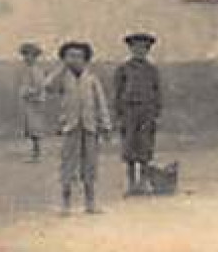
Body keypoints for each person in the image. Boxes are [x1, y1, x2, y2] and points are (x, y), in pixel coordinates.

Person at [51, 40, 112, 214]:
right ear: (64, 58)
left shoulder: (92, 79)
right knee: (68, 164)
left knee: (90, 164)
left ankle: (90, 202)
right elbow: (48, 87)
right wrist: (62, 68)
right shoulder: (62, 78)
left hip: (90, 127)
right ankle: (65, 203)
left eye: (79, 56)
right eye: (70, 56)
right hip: (70, 127)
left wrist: (105, 125)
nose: (74, 59)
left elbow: (101, 103)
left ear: (86, 59)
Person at [113, 32, 163, 195]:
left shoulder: (152, 70)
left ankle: (143, 182)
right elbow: (117, 91)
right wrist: (118, 113)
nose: (139, 51)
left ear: (148, 50)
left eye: (143, 48)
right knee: (129, 147)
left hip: (147, 111)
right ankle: (131, 183)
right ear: (130, 49)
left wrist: (156, 111)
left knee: (145, 146)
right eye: (136, 47)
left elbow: (157, 91)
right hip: (129, 110)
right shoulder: (123, 69)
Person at [18, 42, 51, 162]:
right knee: (31, 128)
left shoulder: (36, 70)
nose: (26, 58)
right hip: (30, 102)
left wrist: (27, 92)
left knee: (35, 127)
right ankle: (35, 152)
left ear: (34, 57)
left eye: (29, 55)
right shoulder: (28, 69)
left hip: (35, 102)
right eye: (25, 55)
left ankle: (37, 154)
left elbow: (39, 87)